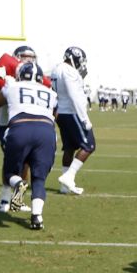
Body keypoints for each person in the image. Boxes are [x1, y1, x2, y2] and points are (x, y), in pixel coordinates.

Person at [0, 60, 59, 230]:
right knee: (39, 179)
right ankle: (37, 217)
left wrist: (3, 83)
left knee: (9, 174)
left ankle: (18, 184)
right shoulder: (50, 92)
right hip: (46, 130)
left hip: (20, 127)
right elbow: (55, 113)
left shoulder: (12, 86)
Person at [0, 44, 41, 211]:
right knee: (13, 162)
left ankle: (17, 199)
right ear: (16, 58)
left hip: (27, 125)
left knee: (26, 163)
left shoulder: (35, 79)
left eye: (32, 57)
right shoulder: (8, 77)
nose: (28, 61)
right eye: (25, 57)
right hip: (7, 126)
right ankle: (5, 199)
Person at [51, 47, 93, 195]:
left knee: (69, 148)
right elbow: (74, 95)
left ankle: (64, 187)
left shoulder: (57, 69)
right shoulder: (69, 71)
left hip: (62, 112)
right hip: (72, 112)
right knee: (89, 145)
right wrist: (84, 118)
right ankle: (69, 176)